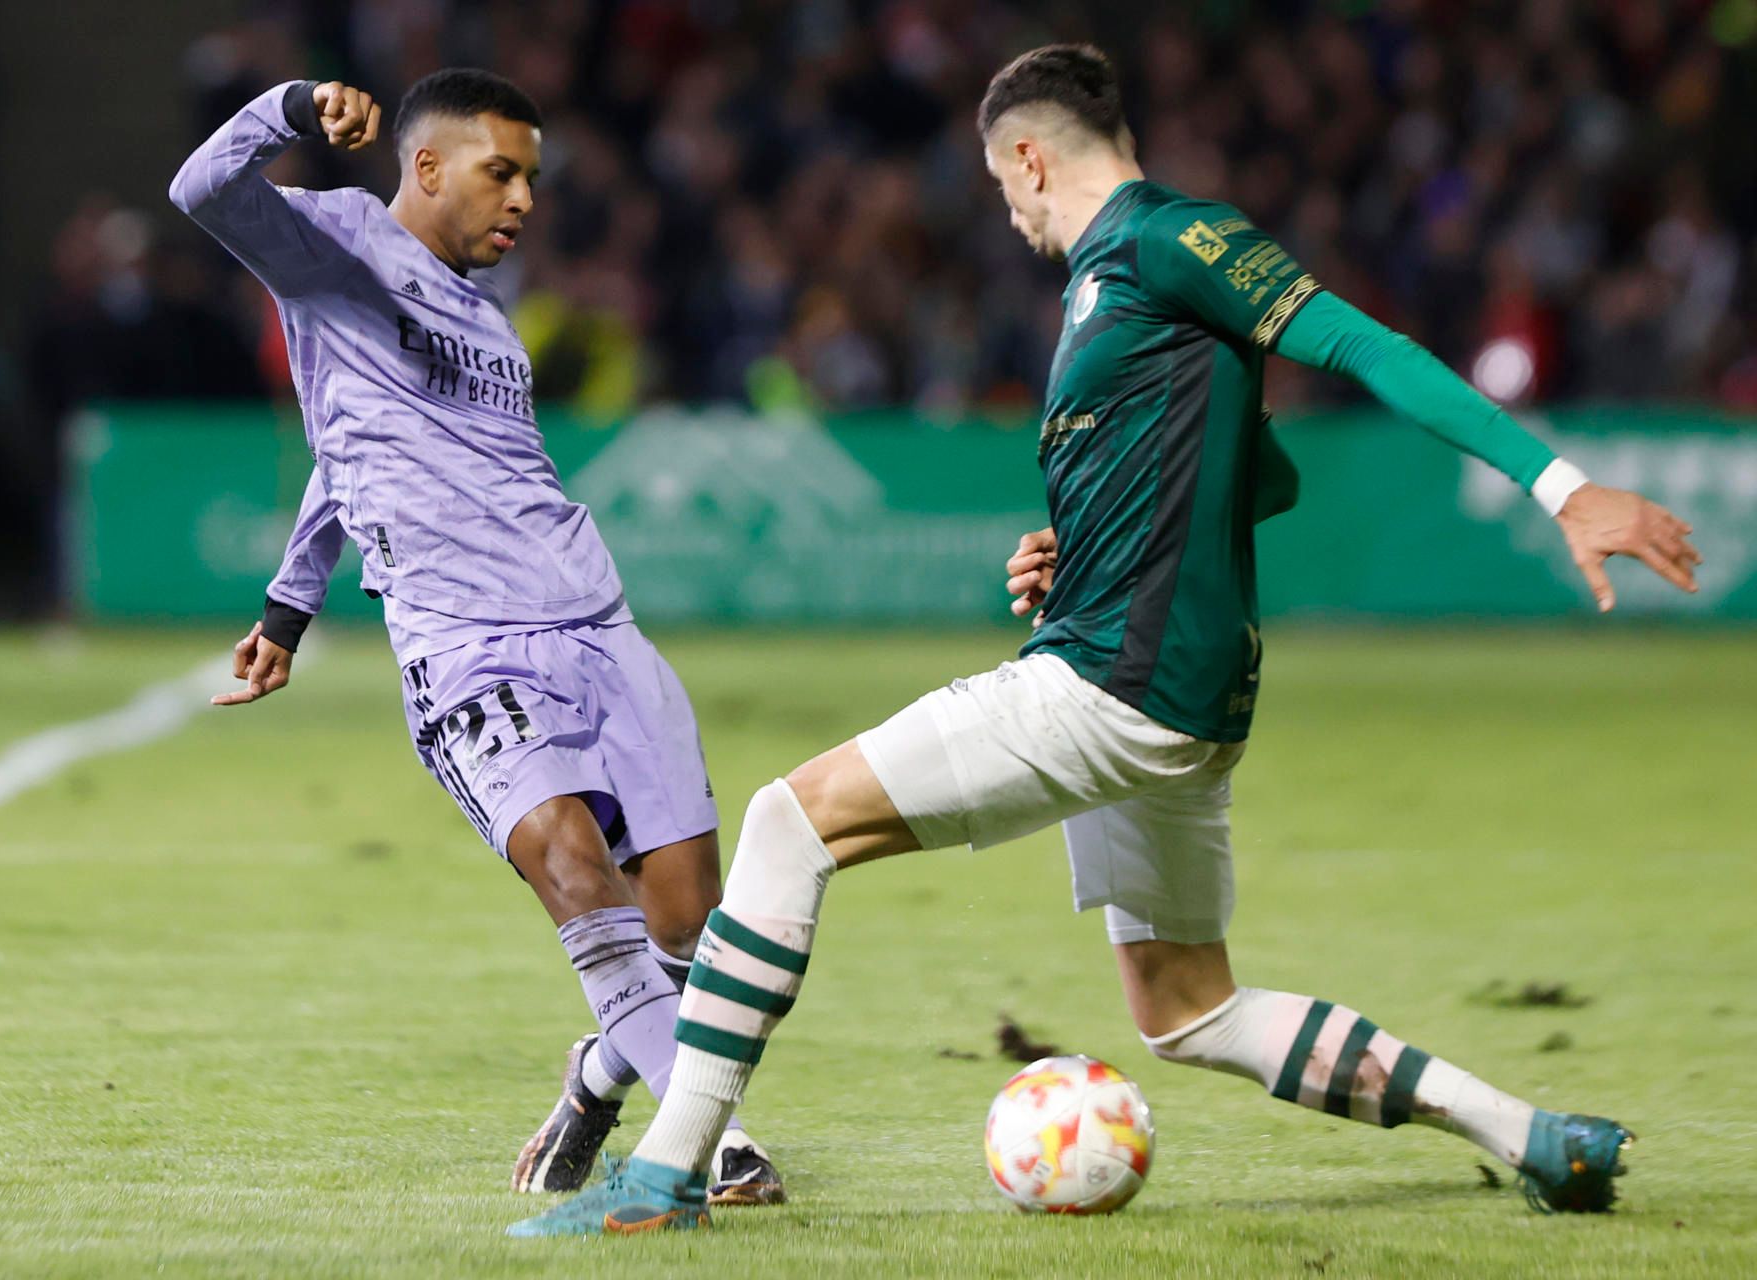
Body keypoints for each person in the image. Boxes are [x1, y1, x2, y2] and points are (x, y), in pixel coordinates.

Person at [508, 44, 1702, 1236]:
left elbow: (1362, 345)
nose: (1009, 212)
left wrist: (1564, 487)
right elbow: (1260, 479)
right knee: (1191, 1010)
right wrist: (1084, 532)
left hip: (1113, 683)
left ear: (1029, 155)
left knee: (787, 820)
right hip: (1183, 700)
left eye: (1001, 186)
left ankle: (665, 1174)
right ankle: (1534, 1136)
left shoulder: (1163, 241)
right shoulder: (1115, 289)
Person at [169, 69, 784, 1205]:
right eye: (502, 172)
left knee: (687, 930)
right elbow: (202, 184)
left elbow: (351, 451)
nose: (525, 200)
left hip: (602, 629)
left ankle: (598, 1079)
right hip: (469, 647)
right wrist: (298, 107)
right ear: (429, 166)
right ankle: (713, 1142)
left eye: (534, 179)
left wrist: (288, 602)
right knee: (569, 862)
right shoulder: (333, 245)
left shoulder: (489, 321)